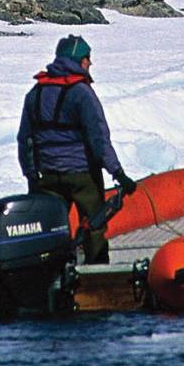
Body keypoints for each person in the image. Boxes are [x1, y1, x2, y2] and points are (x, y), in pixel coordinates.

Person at [17, 35, 137, 264]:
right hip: (82, 175)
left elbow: (25, 139)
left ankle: (51, 274)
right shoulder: (82, 93)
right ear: (79, 60)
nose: (90, 63)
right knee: (94, 225)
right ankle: (97, 277)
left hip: (46, 176)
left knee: (49, 227)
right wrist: (118, 173)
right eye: (87, 58)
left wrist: (31, 174)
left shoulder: (35, 93)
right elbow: (99, 137)